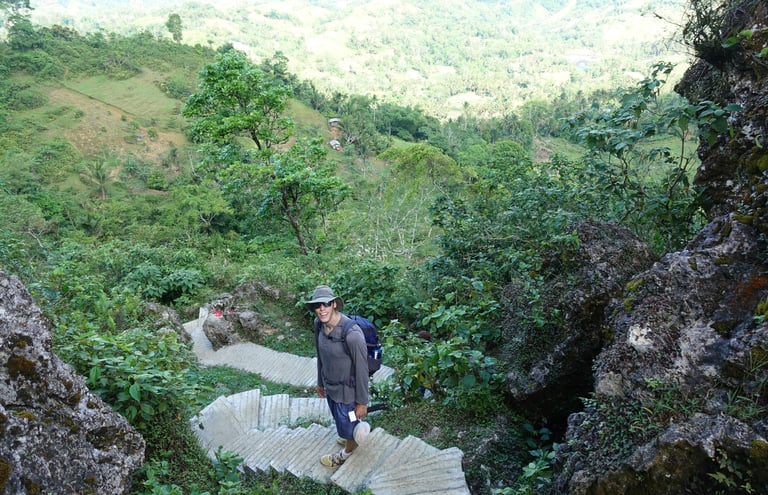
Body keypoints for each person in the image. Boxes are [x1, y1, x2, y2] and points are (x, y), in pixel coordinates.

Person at [306, 285, 370, 468]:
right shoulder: (319, 325)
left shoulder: (352, 335)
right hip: (330, 386)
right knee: (340, 420)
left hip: (347, 394)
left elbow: (362, 370)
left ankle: (346, 453)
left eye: (326, 304)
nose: (322, 309)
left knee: (348, 424)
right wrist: (320, 381)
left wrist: (362, 402)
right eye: (317, 305)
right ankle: (348, 436)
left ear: (334, 304)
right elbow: (321, 355)